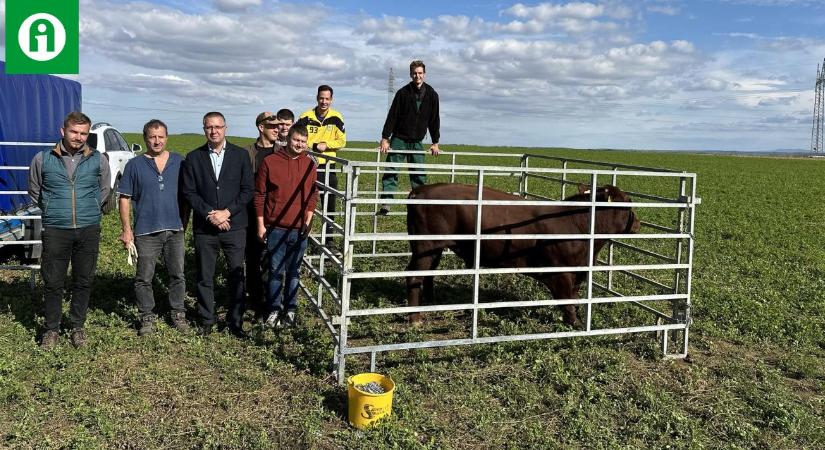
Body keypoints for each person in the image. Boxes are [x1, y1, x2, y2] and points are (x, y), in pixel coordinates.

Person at [28, 111, 111, 348]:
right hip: (56, 228)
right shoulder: (43, 158)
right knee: (53, 281)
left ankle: (77, 327)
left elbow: (104, 189)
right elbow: (35, 191)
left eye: (84, 133)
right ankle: (51, 330)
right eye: (74, 132)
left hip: (88, 228)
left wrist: (91, 207)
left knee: (83, 280)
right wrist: (54, 208)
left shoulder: (97, 159)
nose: (78, 137)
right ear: (63, 131)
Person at [181, 112, 254, 337]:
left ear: (225, 128)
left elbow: (247, 190)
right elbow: (189, 192)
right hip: (205, 228)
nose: (214, 131)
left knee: (236, 274)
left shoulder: (241, 156)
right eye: (209, 127)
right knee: (205, 276)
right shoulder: (193, 157)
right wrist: (210, 214)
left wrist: (227, 212)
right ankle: (206, 319)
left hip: (235, 226)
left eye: (218, 126)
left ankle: (235, 322)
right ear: (204, 129)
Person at [118, 119, 189, 336]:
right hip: (146, 231)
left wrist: (184, 222)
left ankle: (178, 313)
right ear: (145, 138)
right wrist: (127, 230)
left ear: (167, 138)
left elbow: (188, 195)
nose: (156, 141)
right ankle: (146, 317)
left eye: (160, 137)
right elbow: (124, 198)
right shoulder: (134, 165)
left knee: (177, 275)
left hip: (175, 229)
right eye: (152, 137)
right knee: (144, 277)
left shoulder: (179, 161)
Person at [254, 124, 317, 328]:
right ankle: (274, 309)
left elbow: (312, 195)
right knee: (275, 271)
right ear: (287, 139)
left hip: (299, 228)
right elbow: (260, 195)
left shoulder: (309, 164)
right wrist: (261, 224)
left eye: (303, 141)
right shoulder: (270, 162)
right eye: (296, 140)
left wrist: (308, 219)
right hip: (275, 227)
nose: (299, 144)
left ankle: (290, 309)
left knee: (294, 272)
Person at [377, 60, 441, 215]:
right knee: (392, 171)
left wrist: (435, 142)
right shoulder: (403, 93)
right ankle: (387, 202)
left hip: (417, 141)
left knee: (419, 173)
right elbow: (392, 116)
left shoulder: (432, 95)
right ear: (410, 74)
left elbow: (434, 119)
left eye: (420, 73)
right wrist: (385, 138)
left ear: (424, 74)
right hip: (399, 138)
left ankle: (420, 203)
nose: (417, 76)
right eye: (414, 73)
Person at [295, 85, 345, 243]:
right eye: (321, 98)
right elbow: (298, 137)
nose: (324, 101)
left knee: (329, 203)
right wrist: (315, 146)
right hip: (308, 165)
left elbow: (342, 140)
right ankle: (300, 234)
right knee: (303, 200)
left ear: (331, 100)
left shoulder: (337, 117)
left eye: (327, 99)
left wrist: (327, 144)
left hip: (329, 167)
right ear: (317, 98)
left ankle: (329, 240)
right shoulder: (306, 116)